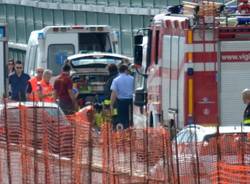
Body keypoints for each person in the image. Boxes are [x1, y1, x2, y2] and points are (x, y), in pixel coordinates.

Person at [110, 64, 134, 130]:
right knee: (132, 118)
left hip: (121, 103)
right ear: (126, 70)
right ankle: (131, 130)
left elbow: (114, 93)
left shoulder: (116, 80)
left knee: (122, 120)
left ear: (119, 71)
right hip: (132, 101)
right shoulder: (132, 79)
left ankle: (123, 134)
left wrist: (111, 105)